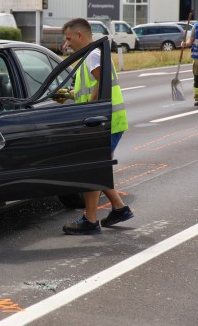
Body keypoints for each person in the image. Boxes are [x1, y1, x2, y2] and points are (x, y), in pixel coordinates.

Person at [58, 18, 134, 235]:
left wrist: (88, 111)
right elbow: (93, 86)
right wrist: (70, 95)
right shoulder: (91, 55)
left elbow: (101, 84)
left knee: (93, 168)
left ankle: (90, 220)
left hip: (103, 121)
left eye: (68, 37)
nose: (67, 42)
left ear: (79, 35)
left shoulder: (92, 55)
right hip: (107, 120)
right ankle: (119, 208)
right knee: (98, 167)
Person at [181, 14, 198, 106]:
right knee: (197, 78)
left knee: (197, 78)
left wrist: (186, 44)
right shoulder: (196, 26)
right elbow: (191, 41)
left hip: (197, 58)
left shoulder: (196, 26)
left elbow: (191, 41)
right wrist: (185, 44)